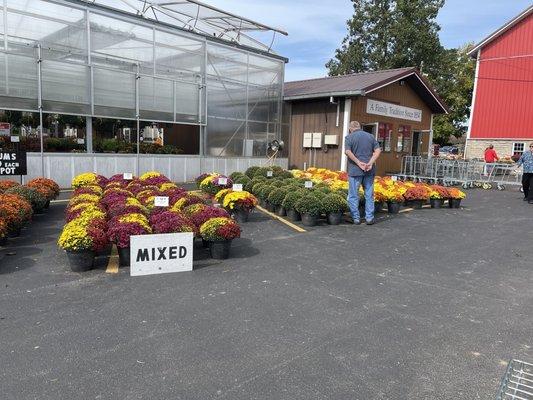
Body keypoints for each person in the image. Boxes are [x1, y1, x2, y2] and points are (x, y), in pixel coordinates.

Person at [344, 121, 382, 225]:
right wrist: (370, 163)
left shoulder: (349, 137)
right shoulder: (370, 136)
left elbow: (348, 152)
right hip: (369, 171)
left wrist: (358, 162)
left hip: (355, 171)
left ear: (350, 129)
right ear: (360, 127)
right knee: (369, 195)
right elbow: (378, 150)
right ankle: (369, 218)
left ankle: (356, 218)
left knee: (353, 195)